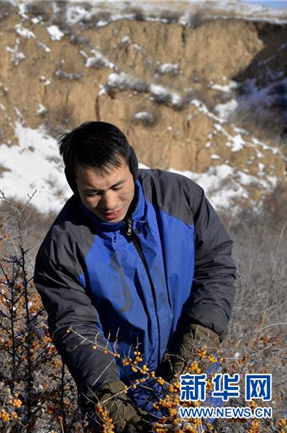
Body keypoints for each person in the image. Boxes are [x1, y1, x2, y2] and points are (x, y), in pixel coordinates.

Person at [34, 121, 236, 432]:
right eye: (93, 193)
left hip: (196, 376)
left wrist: (201, 340)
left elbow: (215, 265)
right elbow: (76, 328)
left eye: (118, 187)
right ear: (74, 185)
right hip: (125, 395)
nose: (110, 204)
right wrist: (108, 397)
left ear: (132, 166)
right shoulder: (64, 247)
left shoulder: (181, 198)